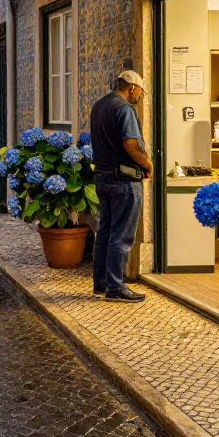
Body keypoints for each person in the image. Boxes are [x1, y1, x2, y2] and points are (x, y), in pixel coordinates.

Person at [90, 70, 152, 303]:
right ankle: (116, 287)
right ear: (133, 88)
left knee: (105, 232)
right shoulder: (124, 109)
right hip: (123, 180)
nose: (140, 98)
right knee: (122, 234)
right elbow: (131, 146)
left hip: (102, 178)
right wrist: (148, 163)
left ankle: (101, 284)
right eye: (141, 93)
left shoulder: (99, 105)